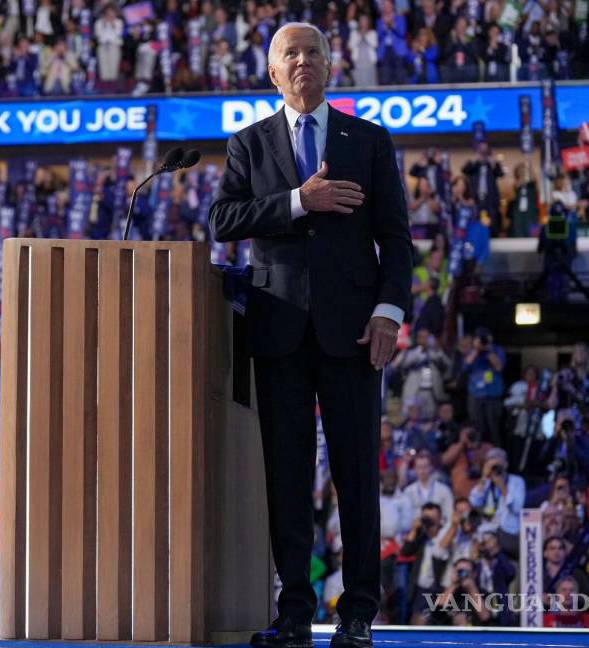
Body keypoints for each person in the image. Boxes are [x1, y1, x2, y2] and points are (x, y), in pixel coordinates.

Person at [210, 22, 412, 648]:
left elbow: (397, 239)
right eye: (289, 54)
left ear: (331, 66)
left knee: (356, 478)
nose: (302, 61)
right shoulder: (248, 143)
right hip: (278, 332)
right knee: (287, 480)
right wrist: (300, 199)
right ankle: (294, 616)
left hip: (354, 334)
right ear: (273, 72)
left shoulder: (370, 141)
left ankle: (357, 616)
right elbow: (223, 219)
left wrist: (390, 311)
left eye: (313, 52)